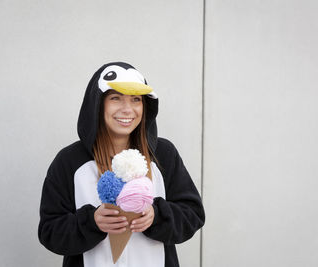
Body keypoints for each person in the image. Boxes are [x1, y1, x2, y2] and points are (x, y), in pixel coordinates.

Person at [38, 62, 205, 267]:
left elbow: (193, 215)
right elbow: (49, 232)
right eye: (115, 98)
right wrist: (92, 222)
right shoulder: (68, 161)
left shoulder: (164, 154)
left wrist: (157, 216)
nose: (127, 109)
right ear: (98, 104)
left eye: (136, 99)